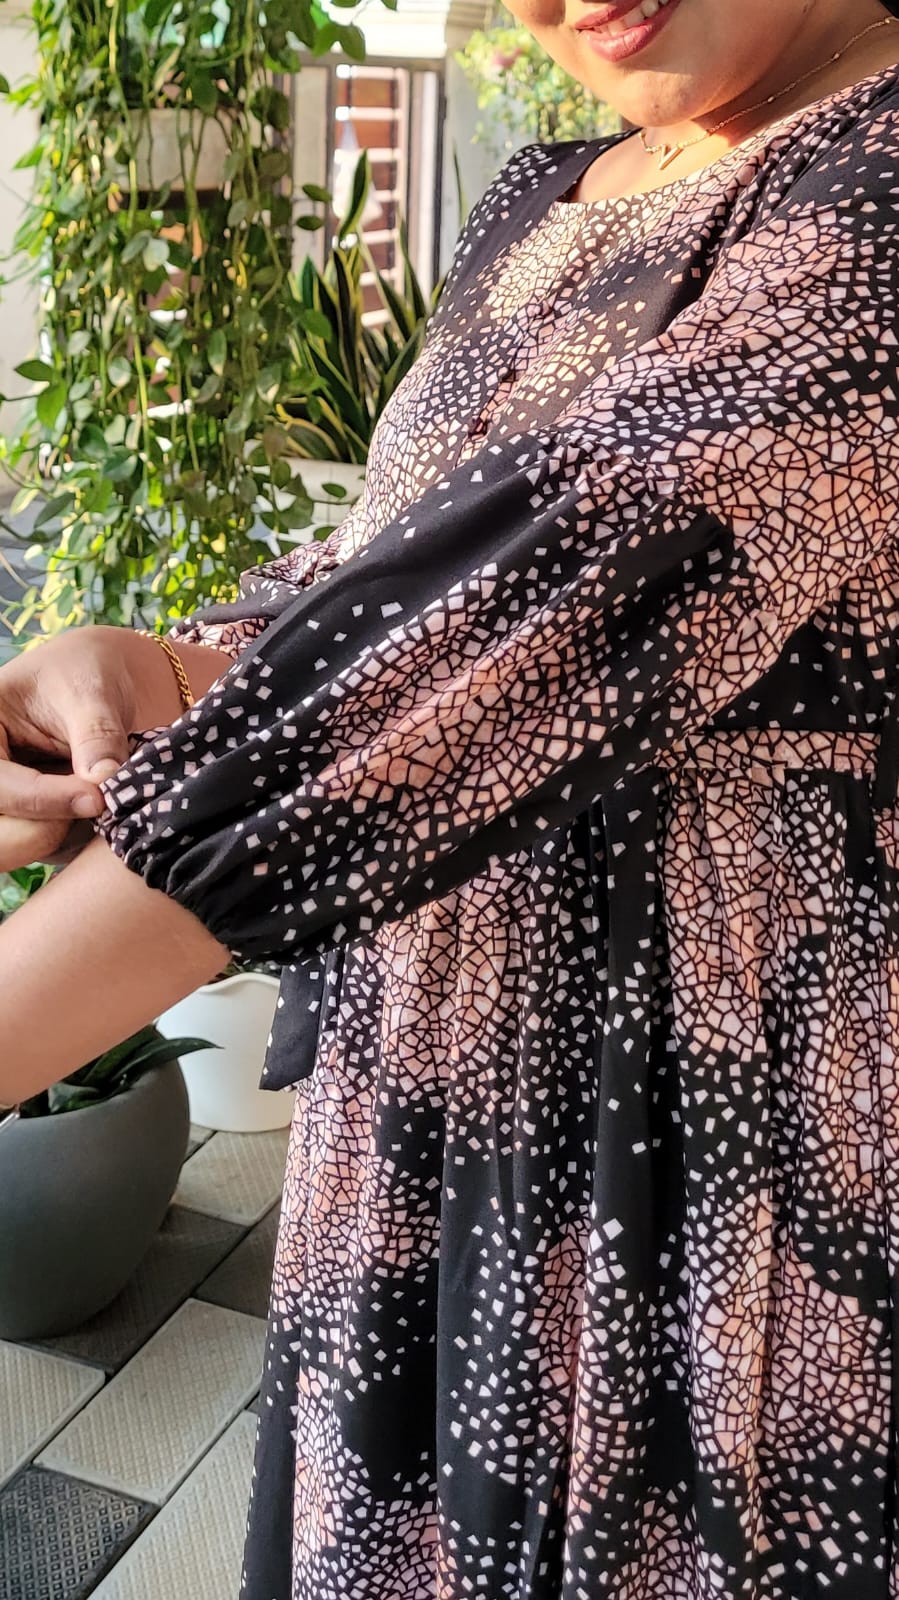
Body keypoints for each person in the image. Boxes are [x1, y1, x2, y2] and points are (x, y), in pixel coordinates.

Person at [2, 0, 899, 1592]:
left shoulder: (875, 190)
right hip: (419, 1104)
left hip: (697, 1139)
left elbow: (530, 618)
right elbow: (400, 579)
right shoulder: (546, 193)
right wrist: (163, 671)